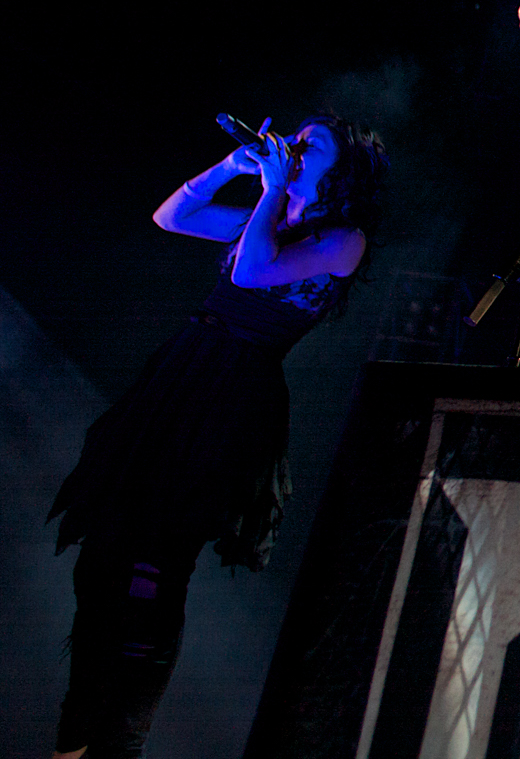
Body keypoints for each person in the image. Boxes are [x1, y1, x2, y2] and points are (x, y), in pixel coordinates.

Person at [46, 114, 387, 759]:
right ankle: (76, 733)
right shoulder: (265, 217)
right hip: (182, 376)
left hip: (232, 397)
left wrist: (271, 190)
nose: (294, 143)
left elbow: (251, 273)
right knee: (105, 554)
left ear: (340, 170)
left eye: (310, 143)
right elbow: (171, 216)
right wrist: (233, 167)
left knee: (156, 565)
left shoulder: (344, 240)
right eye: (295, 136)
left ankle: (121, 742)